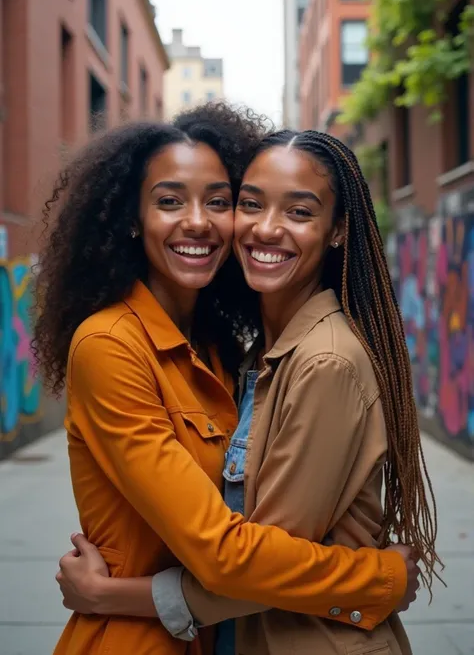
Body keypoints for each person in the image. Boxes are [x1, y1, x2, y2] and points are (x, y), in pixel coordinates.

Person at [35, 105, 420, 655]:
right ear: (129, 218)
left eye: (218, 200)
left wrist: (115, 593)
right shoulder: (111, 344)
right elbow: (229, 557)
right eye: (169, 201)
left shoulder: (220, 350)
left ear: (336, 230)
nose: (199, 220)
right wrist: (377, 579)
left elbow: (248, 552)